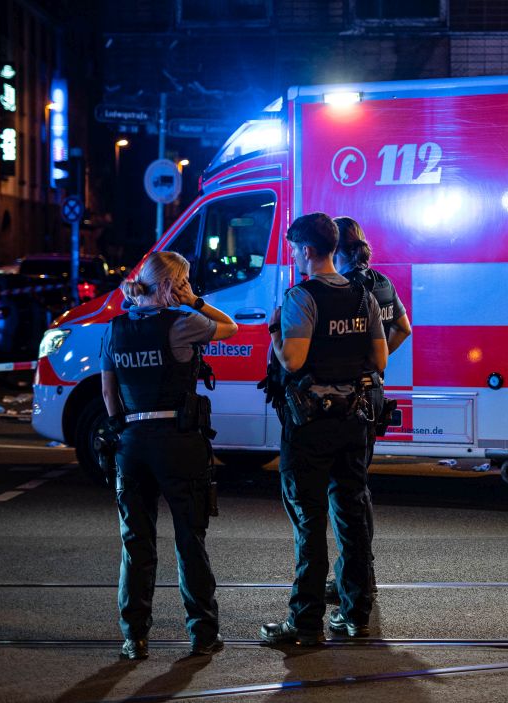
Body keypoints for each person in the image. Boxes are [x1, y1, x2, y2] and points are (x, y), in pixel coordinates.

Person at [100, 251, 239, 659]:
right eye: (184, 282)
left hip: (131, 442)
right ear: (170, 285)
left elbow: (108, 392)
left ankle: (134, 637)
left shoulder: (115, 328)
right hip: (178, 442)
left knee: (135, 542)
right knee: (188, 539)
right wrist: (194, 300)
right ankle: (203, 634)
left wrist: (123, 431)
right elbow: (230, 328)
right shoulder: (182, 322)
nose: (187, 289)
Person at [260, 213, 387, 646]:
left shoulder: (302, 296)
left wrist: (275, 330)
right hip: (354, 421)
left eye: (295, 250)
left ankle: (306, 621)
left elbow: (292, 361)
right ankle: (356, 615)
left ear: (308, 250)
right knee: (351, 517)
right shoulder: (362, 295)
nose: (294, 257)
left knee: (309, 522)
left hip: (310, 426)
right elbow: (380, 360)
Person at [324, 216, 411, 604]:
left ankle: (356, 577)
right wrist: (378, 359)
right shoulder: (383, 283)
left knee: (345, 492)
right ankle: (358, 572)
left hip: (348, 396)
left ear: (335, 249)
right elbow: (403, 328)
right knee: (357, 487)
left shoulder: (344, 287)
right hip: (373, 392)